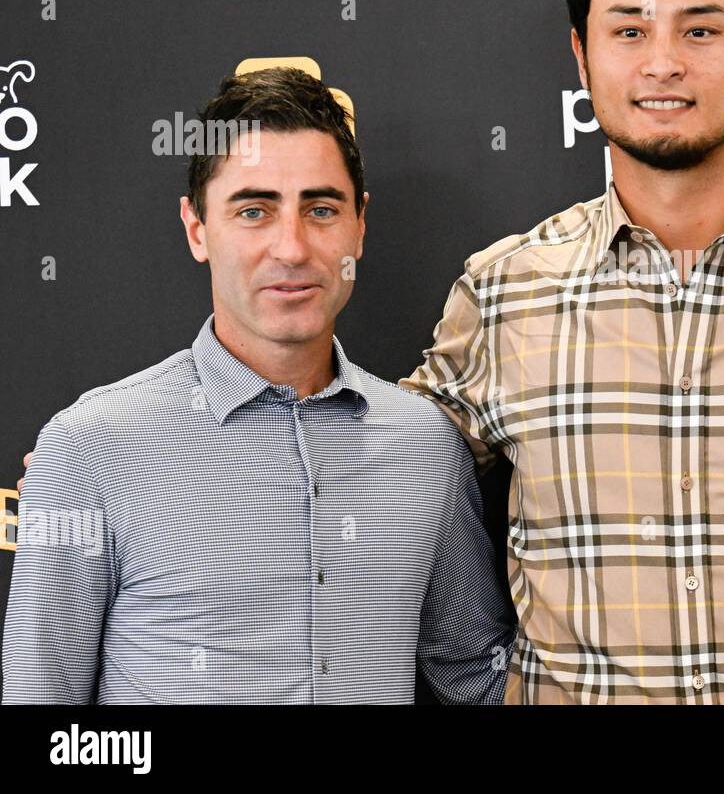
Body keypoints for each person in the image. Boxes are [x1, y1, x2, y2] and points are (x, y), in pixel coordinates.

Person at [3, 67, 515, 703]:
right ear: (197, 229)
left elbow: (478, 678)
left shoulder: (427, 450)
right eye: (254, 210)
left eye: (321, 209)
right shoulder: (88, 447)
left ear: (360, 224)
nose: (292, 247)